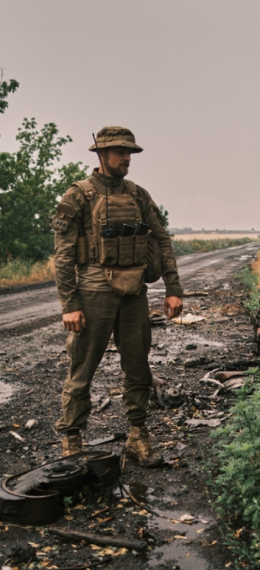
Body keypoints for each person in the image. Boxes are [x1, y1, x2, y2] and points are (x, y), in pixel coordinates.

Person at [52, 126, 183, 467]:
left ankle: (138, 437)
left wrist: (173, 289)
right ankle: (72, 440)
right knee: (82, 369)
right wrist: (70, 305)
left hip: (134, 293)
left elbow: (162, 239)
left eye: (130, 152)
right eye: (122, 152)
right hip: (94, 291)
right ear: (101, 154)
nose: (127, 158)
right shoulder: (78, 195)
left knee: (138, 367)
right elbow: (64, 255)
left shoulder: (138, 195)